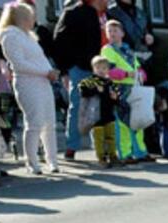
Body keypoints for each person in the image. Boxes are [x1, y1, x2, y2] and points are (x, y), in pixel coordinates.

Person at [0, 2, 59, 175]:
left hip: (42, 81)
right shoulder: (10, 36)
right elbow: (19, 64)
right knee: (34, 123)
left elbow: (41, 58)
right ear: (21, 18)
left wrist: (50, 72)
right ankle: (32, 162)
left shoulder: (28, 35)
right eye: (30, 16)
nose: (34, 19)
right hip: (27, 83)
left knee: (49, 123)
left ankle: (52, 160)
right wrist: (46, 71)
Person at [53, 0, 107, 161]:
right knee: (78, 106)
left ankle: (98, 146)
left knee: (97, 106)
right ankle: (72, 146)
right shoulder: (72, 13)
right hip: (79, 68)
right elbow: (59, 41)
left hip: (98, 67)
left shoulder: (104, 16)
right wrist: (65, 69)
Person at [100, 18, 148, 162]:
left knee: (138, 120)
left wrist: (141, 75)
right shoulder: (107, 50)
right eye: (109, 31)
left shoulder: (128, 50)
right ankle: (125, 153)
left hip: (134, 87)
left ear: (122, 33)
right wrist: (128, 74)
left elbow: (138, 67)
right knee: (122, 122)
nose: (112, 33)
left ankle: (141, 151)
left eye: (115, 30)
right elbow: (110, 71)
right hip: (119, 88)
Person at [75, 53, 119, 166]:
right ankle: (101, 158)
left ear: (108, 69)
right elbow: (82, 91)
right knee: (98, 139)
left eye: (104, 68)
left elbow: (116, 98)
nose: (101, 70)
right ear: (93, 68)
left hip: (109, 114)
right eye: (98, 68)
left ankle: (113, 156)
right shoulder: (89, 81)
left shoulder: (110, 82)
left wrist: (115, 97)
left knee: (111, 137)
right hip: (95, 115)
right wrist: (95, 90)